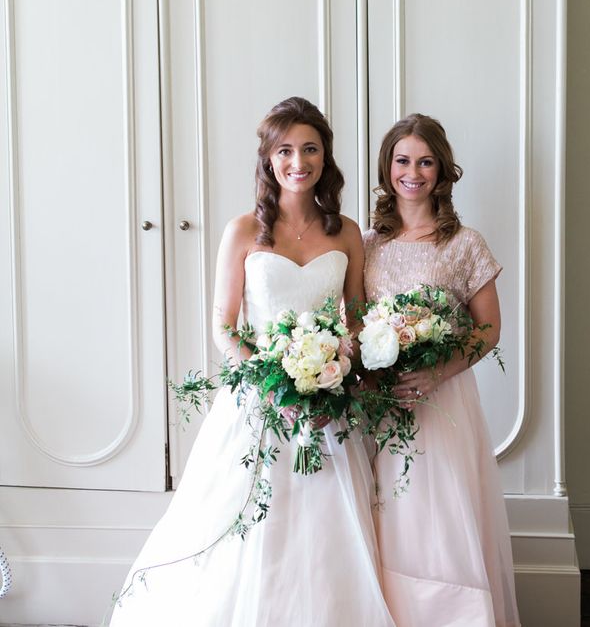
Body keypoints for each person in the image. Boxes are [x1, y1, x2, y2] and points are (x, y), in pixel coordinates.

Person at [110, 97, 394, 626]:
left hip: (328, 404)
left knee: (323, 531)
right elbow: (224, 326)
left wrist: (337, 374)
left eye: (310, 149)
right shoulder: (243, 231)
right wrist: (272, 380)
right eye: (285, 150)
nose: (298, 162)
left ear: (325, 158)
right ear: (268, 158)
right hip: (258, 402)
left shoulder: (347, 232)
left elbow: (355, 320)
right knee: (247, 522)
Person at [363, 114, 521, 627]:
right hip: (384, 405)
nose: (414, 172)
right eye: (403, 160)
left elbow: (488, 329)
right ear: (388, 168)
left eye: (426, 161)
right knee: (391, 516)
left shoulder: (464, 243)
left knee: (442, 521)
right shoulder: (368, 245)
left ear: (442, 171)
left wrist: (437, 372)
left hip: (443, 400)